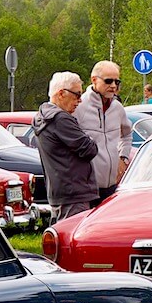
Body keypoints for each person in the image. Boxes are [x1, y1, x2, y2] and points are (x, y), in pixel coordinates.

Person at [33, 71, 99, 223]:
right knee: (74, 240)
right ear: (61, 93)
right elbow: (90, 149)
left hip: (60, 192)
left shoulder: (42, 116)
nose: (80, 101)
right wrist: (88, 138)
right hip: (74, 193)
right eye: (77, 95)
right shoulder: (61, 119)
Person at [75, 60, 133, 202]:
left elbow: (126, 134)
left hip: (112, 186)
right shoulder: (80, 106)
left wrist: (123, 158)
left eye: (117, 82)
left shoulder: (117, 108)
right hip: (86, 187)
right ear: (94, 80)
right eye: (108, 81)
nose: (113, 86)